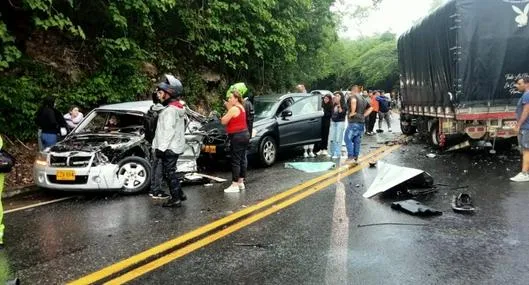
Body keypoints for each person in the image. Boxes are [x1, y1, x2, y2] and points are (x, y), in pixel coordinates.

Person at [151, 75, 187, 207]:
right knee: (170, 171)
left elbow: (167, 132)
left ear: (169, 94)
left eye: (160, 93)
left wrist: (161, 149)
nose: (158, 95)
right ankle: (180, 194)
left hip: (169, 147)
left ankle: (176, 199)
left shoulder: (170, 111)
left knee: (169, 172)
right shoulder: (173, 108)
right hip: (173, 146)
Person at [222, 89, 250, 193]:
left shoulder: (233, 109)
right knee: (242, 158)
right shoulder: (242, 107)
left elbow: (223, 121)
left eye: (230, 98)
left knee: (235, 160)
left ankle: (234, 184)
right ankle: (240, 182)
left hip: (237, 136)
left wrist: (228, 108)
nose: (229, 99)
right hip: (245, 134)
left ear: (236, 98)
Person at [344, 85, 372, 163]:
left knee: (347, 139)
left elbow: (353, 100)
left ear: (353, 91)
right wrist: (364, 115)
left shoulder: (353, 96)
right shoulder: (364, 98)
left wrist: (352, 112)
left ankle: (350, 156)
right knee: (356, 140)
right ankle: (356, 157)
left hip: (353, 122)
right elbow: (371, 108)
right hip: (361, 122)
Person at [511, 77, 529, 182]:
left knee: (527, 150)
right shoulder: (526, 94)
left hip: (527, 127)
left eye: (519, 84)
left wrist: (518, 125)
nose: (517, 86)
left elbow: (526, 111)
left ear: (527, 84)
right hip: (526, 127)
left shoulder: (527, 95)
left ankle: (525, 173)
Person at [295, 84, 316, 157]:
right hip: (306, 122)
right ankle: (305, 151)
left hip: (313, 122)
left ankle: (311, 151)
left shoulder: (313, 105)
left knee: (312, 137)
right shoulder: (304, 104)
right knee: (306, 137)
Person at [329, 92, 347, 159]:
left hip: (340, 122)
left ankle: (337, 153)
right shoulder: (334, 105)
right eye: (335, 96)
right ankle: (332, 152)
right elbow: (332, 113)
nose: (336, 97)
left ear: (341, 97)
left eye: (338, 96)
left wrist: (339, 105)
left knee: (338, 138)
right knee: (332, 137)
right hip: (333, 122)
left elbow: (341, 113)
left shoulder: (344, 105)